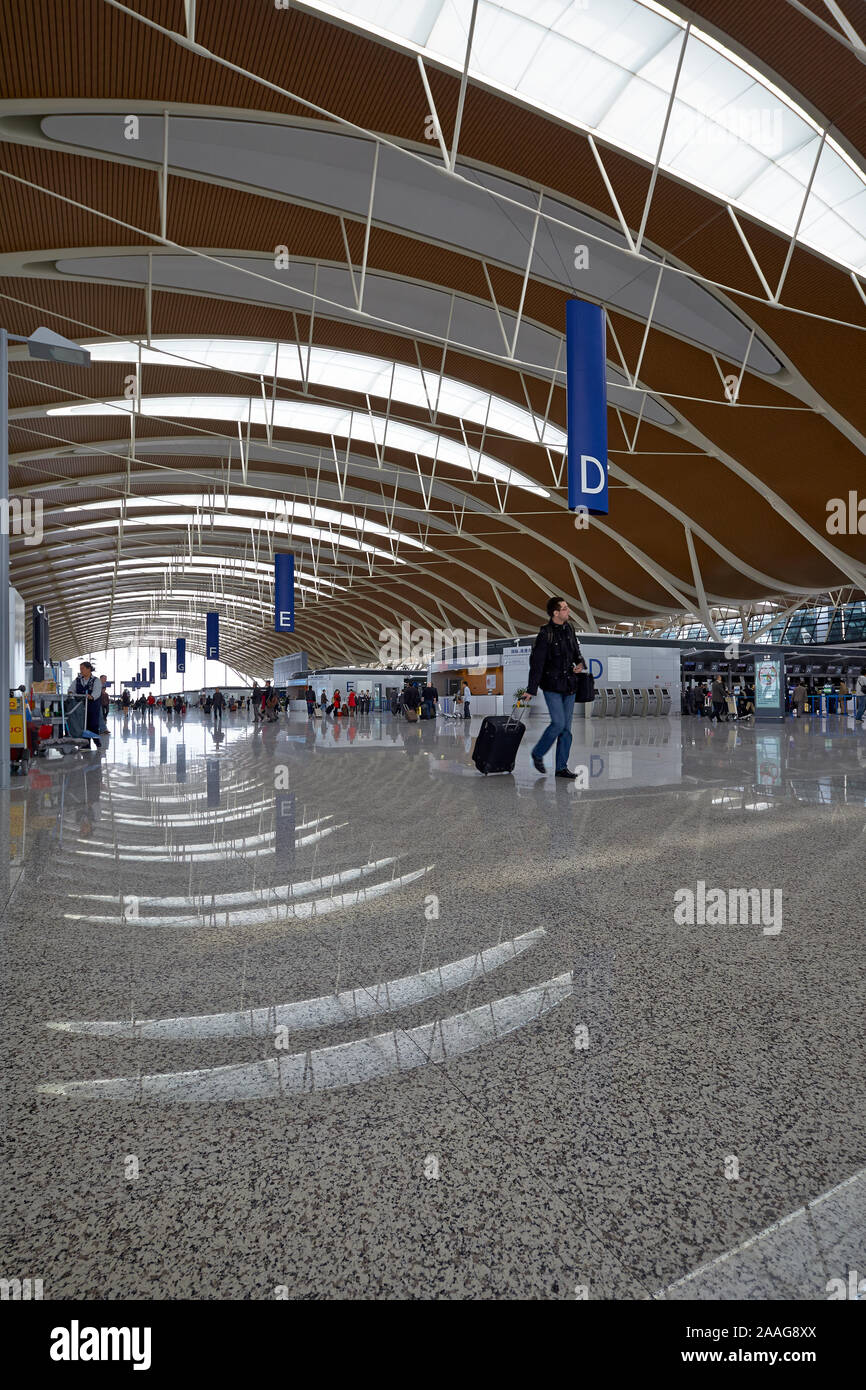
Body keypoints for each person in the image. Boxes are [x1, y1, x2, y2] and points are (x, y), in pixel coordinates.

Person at [524, 596, 585, 779]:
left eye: (567, 608)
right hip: (552, 686)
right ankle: (538, 753)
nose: (568, 611)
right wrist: (531, 689)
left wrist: (580, 662)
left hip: (569, 685)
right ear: (555, 613)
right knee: (558, 723)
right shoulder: (545, 634)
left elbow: (576, 651)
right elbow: (537, 664)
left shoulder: (569, 629)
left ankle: (561, 768)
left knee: (566, 729)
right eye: (565, 608)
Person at [67, 661, 102, 748]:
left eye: (83, 668)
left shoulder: (96, 680)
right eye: (80, 669)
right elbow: (71, 688)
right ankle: (86, 744)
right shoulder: (78, 680)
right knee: (82, 724)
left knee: (92, 724)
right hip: (80, 706)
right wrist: (71, 692)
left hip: (92, 706)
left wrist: (92, 696)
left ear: (89, 669)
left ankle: (96, 741)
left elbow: (97, 692)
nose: (81, 671)